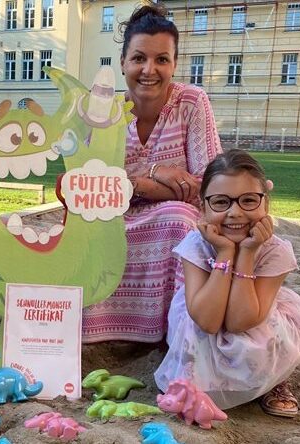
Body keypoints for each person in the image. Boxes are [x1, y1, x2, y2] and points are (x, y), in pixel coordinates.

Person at [82, 4, 223, 343]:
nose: (149, 69)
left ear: (174, 64)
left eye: (162, 59)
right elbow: (89, 187)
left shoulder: (191, 102)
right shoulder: (103, 114)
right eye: (139, 58)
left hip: (176, 222)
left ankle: (178, 332)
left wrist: (130, 184)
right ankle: (113, 329)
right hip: (114, 220)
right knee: (85, 233)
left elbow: (210, 184)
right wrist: (153, 174)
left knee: (180, 221)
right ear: (122, 63)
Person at [154, 149, 300, 417]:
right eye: (221, 202)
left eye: (248, 200)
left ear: (265, 204)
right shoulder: (196, 245)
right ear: (203, 207)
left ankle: (272, 380)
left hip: (254, 314)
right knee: (197, 334)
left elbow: (240, 321)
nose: (235, 212)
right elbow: (208, 321)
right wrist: (224, 253)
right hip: (205, 313)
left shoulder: (275, 250)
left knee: (265, 334)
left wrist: (247, 253)